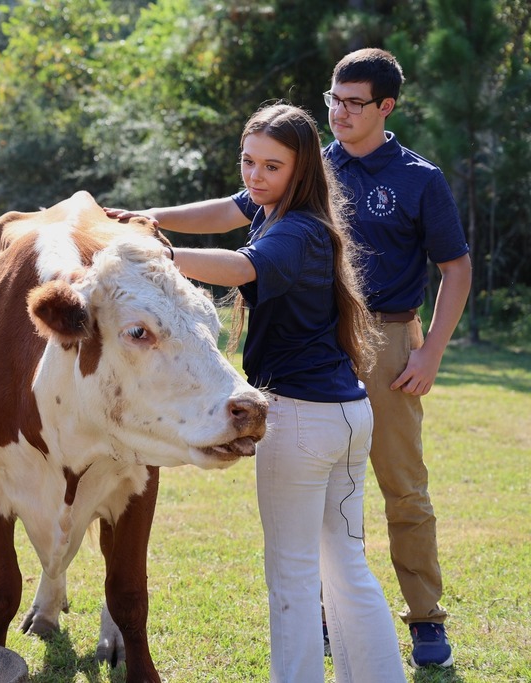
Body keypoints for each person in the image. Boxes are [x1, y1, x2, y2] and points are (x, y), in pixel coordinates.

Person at [109, 48, 470, 670]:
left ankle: (425, 619)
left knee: (346, 533)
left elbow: (246, 264)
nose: (340, 111)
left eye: (354, 102)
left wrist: (160, 256)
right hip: (334, 376)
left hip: (347, 372)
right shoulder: (302, 181)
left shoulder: (381, 192)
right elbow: (233, 212)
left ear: (386, 106)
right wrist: (148, 220)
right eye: (333, 98)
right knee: (343, 555)